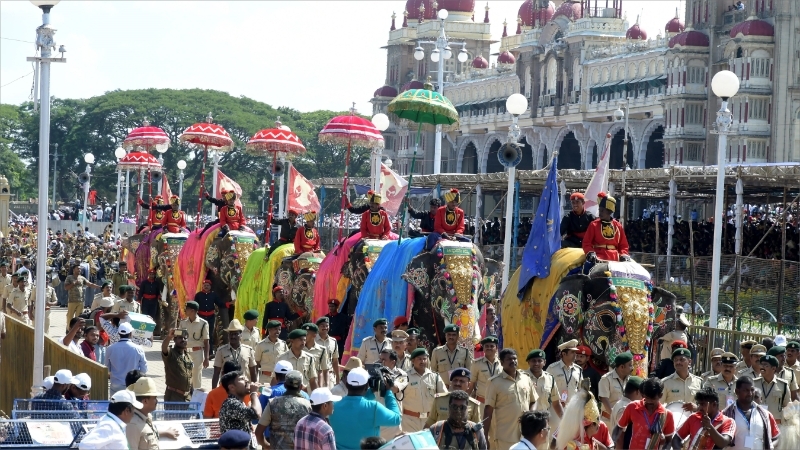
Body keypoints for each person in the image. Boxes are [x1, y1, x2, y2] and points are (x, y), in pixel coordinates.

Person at [328, 367, 402, 450]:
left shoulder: (333, 406)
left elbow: (354, 403)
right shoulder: (374, 407)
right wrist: (388, 392)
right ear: (367, 385)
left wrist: (371, 392)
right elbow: (396, 418)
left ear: (347, 384)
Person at [484, 348, 538, 449]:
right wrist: (484, 436)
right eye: (509, 359)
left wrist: (530, 415)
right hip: (505, 436)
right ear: (502, 362)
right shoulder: (494, 382)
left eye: (514, 358)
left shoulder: (526, 378)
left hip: (526, 435)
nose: (513, 361)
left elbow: (533, 401)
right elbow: (488, 411)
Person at [615, 377, 675, 450]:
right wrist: (612, 445)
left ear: (660, 395)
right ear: (643, 395)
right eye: (647, 398)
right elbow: (619, 428)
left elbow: (669, 441)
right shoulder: (632, 407)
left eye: (653, 399)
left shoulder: (667, 415)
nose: (649, 401)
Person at [722, 376, 780, 450]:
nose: (750, 393)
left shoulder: (765, 414)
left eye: (752, 390)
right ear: (737, 391)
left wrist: (770, 446)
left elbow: (776, 437)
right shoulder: (726, 414)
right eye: (745, 390)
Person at [126, 377, 180, 449]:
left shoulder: (146, 417)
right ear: (145, 401)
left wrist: (165, 433)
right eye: (154, 398)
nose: (156, 401)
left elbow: (147, 434)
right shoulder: (133, 425)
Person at [402, 347, 448, 432]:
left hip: (430, 420)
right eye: (419, 359)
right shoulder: (405, 377)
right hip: (410, 421)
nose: (422, 361)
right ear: (412, 360)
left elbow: (444, 397)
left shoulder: (435, 377)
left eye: (424, 359)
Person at [582, 192, 631, 262]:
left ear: (609, 212)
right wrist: (590, 252)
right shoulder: (593, 224)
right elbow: (586, 243)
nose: (600, 212)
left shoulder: (618, 226)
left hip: (615, 257)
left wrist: (623, 254)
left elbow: (623, 245)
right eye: (599, 210)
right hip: (597, 257)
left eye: (602, 210)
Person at [218, 370, 263, 439]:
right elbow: (256, 414)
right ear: (232, 387)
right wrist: (253, 393)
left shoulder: (239, 402)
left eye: (246, 378)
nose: (247, 381)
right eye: (242, 379)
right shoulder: (231, 404)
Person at [213, 319, 258, 386]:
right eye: (231, 334)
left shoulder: (248, 350)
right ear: (228, 335)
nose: (233, 336)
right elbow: (216, 372)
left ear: (241, 335)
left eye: (236, 334)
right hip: (226, 387)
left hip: (244, 388)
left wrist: (254, 389)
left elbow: (253, 371)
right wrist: (213, 391)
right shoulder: (221, 351)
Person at [525, 349, 564, 427]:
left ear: (544, 362)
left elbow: (556, 403)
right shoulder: (521, 377)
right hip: (527, 421)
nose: (536, 363)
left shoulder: (550, 378)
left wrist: (564, 419)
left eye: (539, 361)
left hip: (543, 421)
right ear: (528, 362)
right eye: (533, 361)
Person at [106, 323, 148, 395]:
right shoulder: (138, 349)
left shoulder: (110, 349)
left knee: (116, 405)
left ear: (119, 333)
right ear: (131, 334)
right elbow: (144, 369)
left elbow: (107, 368)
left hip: (116, 384)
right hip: (133, 385)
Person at [431, 324, 474, 388]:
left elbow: (469, 372)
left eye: (454, 335)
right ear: (445, 336)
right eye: (449, 334)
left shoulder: (465, 352)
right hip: (442, 389)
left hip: (459, 388)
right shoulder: (437, 352)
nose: (451, 337)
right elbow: (433, 372)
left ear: (458, 336)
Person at [179, 301, 210, 389]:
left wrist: (207, 358)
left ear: (192, 311)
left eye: (187, 309)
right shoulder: (183, 323)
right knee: (184, 374)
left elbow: (206, 341)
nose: (185, 310)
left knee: (196, 375)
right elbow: (178, 337)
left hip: (197, 352)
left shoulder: (203, 323)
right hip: (185, 352)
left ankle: (196, 396)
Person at [598, 351, 633, 427]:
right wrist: (616, 417)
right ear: (622, 367)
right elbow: (604, 399)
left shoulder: (630, 380)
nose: (632, 368)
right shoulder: (606, 379)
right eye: (630, 365)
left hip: (624, 422)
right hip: (609, 422)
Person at [547, 339, 584, 406]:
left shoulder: (578, 370)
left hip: (572, 408)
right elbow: (546, 388)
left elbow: (581, 389)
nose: (575, 355)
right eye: (572, 352)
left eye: (575, 352)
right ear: (564, 354)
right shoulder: (552, 368)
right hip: (555, 408)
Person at [161, 328, 193, 402]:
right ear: (174, 340)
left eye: (185, 338)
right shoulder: (171, 353)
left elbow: (190, 376)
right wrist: (169, 337)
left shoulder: (188, 356)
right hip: (173, 396)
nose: (183, 339)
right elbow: (164, 348)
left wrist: (192, 392)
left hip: (187, 397)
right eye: (180, 338)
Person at [756, 354, 791, 424]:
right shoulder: (754, 383)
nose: (762, 367)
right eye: (761, 365)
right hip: (757, 423)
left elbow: (787, 407)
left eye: (765, 365)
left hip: (776, 425)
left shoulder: (783, 385)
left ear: (773, 368)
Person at [254, 320, 288, 385]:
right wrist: (255, 379)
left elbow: (287, 361)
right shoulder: (261, 345)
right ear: (269, 330)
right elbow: (256, 363)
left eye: (279, 329)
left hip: (280, 379)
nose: (278, 331)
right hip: (265, 379)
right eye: (275, 329)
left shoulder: (283, 344)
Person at [470, 336, 501, 403]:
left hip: (498, 402)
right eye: (486, 346)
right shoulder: (476, 364)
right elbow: (471, 384)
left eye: (492, 346)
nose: (489, 348)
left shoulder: (502, 364)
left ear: (496, 348)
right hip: (482, 401)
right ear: (483, 348)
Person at [195, 279, 225, 348]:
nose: (206, 287)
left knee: (209, 334)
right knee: (201, 333)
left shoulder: (213, 295)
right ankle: (201, 349)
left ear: (210, 287)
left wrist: (228, 304)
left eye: (207, 285)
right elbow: (195, 306)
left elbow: (220, 303)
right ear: (202, 286)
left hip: (211, 317)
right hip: (200, 317)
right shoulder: (198, 295)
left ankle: (210, 351)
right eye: (205, 285)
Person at [301, 322, 331, 388]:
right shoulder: (299, 349)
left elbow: (325, 369)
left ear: (314, 335)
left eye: (306, 334)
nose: (303, 337)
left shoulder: (322, 350)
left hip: (315, 385)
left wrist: (327, 386)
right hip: (301, 386)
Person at [316, 316, 341, 387]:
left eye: (327, 326)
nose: (325, 328)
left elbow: (335, 360)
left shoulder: (333, 341)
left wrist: (338, 378)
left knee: (329, 396)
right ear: (318, 327)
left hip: (330, 374)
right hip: (315, 374)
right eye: (322, 326)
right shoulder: (313, 340)